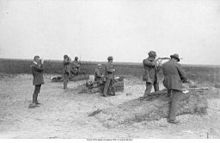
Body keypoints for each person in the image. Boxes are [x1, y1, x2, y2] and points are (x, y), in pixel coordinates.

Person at [162, 53, 188, 124]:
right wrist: (184, 80)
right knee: (175, 101)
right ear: (176, 59)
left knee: (169, 96)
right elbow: (184, 75)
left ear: (171, 58)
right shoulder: (177, 64)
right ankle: (172, 119)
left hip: (167, 83)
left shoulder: (164, 64)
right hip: (175, 84)